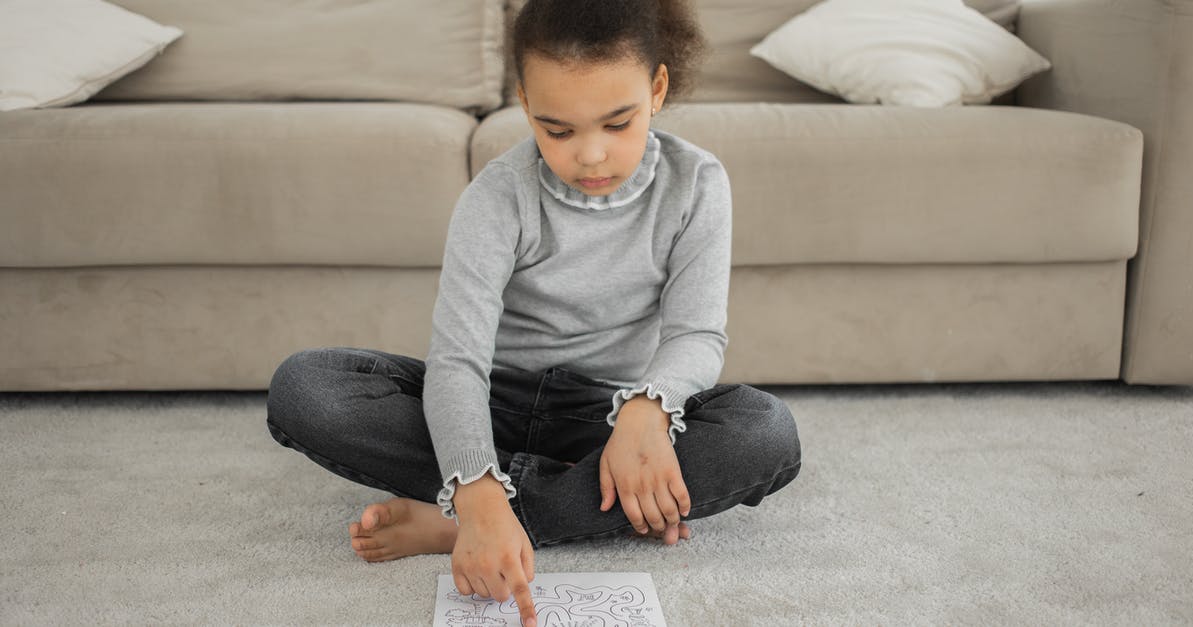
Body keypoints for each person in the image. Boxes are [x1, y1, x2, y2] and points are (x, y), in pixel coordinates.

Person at [266, 1, 802, 625]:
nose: (591, 157)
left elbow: (696, 333)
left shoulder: (698, 183)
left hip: (608, 423)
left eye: (617, 123)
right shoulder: (498, 195)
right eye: (559, 130)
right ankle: (529, 504)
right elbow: (458, 363)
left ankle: (470, 520)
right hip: (494, 404)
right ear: (524, 103)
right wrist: (474, 480)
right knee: (307, 388)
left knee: (765, 431)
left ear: (656, 89)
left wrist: (644, 411)